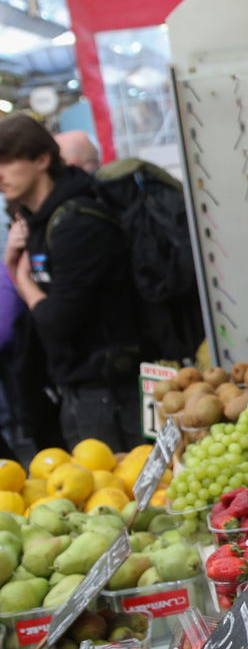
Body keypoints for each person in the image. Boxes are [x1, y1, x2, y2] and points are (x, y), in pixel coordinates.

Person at [0, 114, 148, 451]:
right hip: (75, 390)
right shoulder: (37, 223)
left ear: (41, 159)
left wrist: (19, 275)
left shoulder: (78, 223)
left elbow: (56, 321)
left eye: (8, 161)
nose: (0, 174)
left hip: (111, 395)